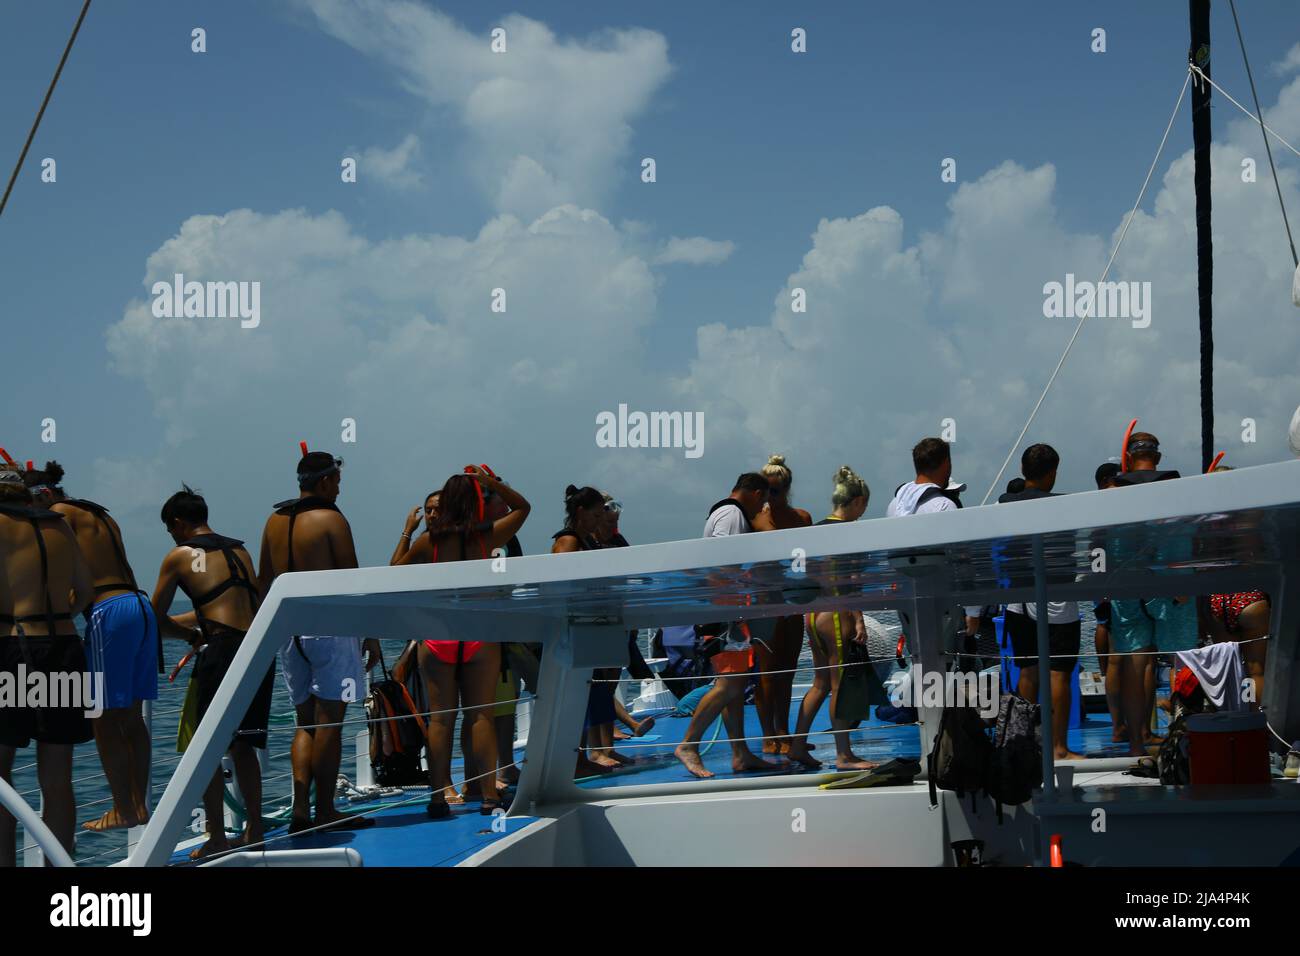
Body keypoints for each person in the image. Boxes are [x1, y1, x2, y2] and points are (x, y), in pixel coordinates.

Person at [25, 461, 157, 833]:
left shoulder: (59, 514)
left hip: (107, 610)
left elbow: (65, 579)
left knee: (99, 716)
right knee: (130, 716)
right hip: (139, 606)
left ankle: (122, 808)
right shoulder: (96, 512)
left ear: (46, 495)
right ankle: (137, 805)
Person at [396, 466, 530, 818]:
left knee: (440, 722)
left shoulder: (429, 542)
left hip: (439, 637)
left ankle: (438, 798)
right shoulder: (484, 539)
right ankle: (488, 796)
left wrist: (407, 534)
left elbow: (395, 574)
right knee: (481, 716)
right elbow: (523, 508)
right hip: (477, 635)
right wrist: (492, 482)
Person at [259, 449, 380, 834]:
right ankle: (325, 810)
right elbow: (351, 580)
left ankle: (300, 810)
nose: (339, 490)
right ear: (326, 481)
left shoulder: (274, 521)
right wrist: (370, 633)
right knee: (331, 722)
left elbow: (265, 582)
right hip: (330, 629)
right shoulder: (331, 519)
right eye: (338, 483)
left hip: (290, 632)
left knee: (305, 723)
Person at [151, 486, 275, 859]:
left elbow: (154, 619)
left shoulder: (180, 555)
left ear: (177, 523)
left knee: (207, 747)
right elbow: (225, 605)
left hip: (220, 652)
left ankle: (218, 836)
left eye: (169, 529)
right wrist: (195, 626)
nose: (171, 537)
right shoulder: (239, 550)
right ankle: (254, 828)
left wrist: (187, 634)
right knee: (244, 745)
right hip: (256, 648)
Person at [0, 468, 94, 866]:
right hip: (64, 648)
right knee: (58, 778)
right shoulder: (61, 525)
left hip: (12, 649)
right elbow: (85, 592)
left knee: (1, 777)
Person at [673, 474, 777, 779]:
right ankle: (689, 745)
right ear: (756, 493)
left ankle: (740, 753)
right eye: (763, 500)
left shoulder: (724, 513)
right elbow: (721, 562)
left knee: (735, 685)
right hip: (722, 614)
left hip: (724, 613)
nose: (762, 507)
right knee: (728, 685)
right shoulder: (732, 515)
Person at [1106, 432, 1195, 757]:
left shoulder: (1114, 490)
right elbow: (1183, 533)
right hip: (1170, 584)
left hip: (1128, 585)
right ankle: (1178, 737)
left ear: (1127, 458)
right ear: (1157, 458)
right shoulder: (1173, 486)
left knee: (1134, 664)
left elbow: (1104, 540)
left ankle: (1136, 742)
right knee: (1179, 660)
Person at [996, 444, 1084, 760]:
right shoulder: (1066, 505)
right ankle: (1059, 747)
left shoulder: (1006, 502)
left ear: (1022, 469)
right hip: (1056, 596)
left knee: (1028, 671)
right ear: (1053, 472)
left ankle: (1026, 744)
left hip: (1018, 598)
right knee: (1058, 672)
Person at [786, 466, 877, 770]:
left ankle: (797, 745)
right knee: (841, 684)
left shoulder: (815, 530)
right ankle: (844, 754)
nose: (863, 513)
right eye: (864, 506)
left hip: (812, 615)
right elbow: (850, 582)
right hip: (837, 614)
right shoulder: (847, 531)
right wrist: (860, 620)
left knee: (820, 683)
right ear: (857, 501)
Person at [552, 485, 620, 775]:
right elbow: (558, 585)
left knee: (585, 695)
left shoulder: (588, 540)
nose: (598, 520)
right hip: (574, 631)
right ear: (580, 513)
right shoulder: (569, 541)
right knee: (575, 698)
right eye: (594, 515)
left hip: (589, 628)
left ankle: (579, 758)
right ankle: (574, 759)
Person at [749, 455, 812, 755]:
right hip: (764, 603)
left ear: (785, 490)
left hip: (792, 601)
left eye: (773, 491)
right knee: (766, 671)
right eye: (764, 491)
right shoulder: (757, 520)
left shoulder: (802, 517)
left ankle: (783, 730)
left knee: (787, 669)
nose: (768, 497)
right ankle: (767, 734)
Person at [390, 491, 438, 565]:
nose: (432, 515)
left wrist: (408, 530)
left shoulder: (427, 539)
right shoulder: (427, 539)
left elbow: (395, 568)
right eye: (428, 511)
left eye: (438, 509)